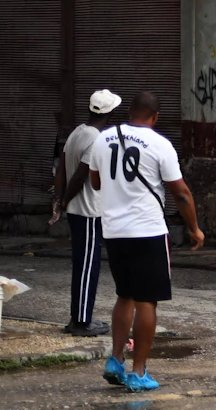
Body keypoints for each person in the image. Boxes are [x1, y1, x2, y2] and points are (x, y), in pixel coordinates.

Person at [87, 90, 203, 392]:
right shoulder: (160, 144)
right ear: (155, 117)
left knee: (125, 295)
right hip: (148, 231)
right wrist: (195, 229)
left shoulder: (103, 139)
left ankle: (115, 360)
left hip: (113, 231)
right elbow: (181, 193)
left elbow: (96, 182)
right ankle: (138, 373)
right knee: (146, 301)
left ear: (129, 114)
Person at [55, 89, 120, 337]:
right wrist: (63, 200)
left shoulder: (77, 133)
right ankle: (81, 321)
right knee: (87, 267)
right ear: (109, 113)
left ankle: (80, 317)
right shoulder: (96, 140)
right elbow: (80, 176)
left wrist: (59, 200)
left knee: (83, 265)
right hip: (89, 211)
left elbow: (61, 169)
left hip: (77, 210)